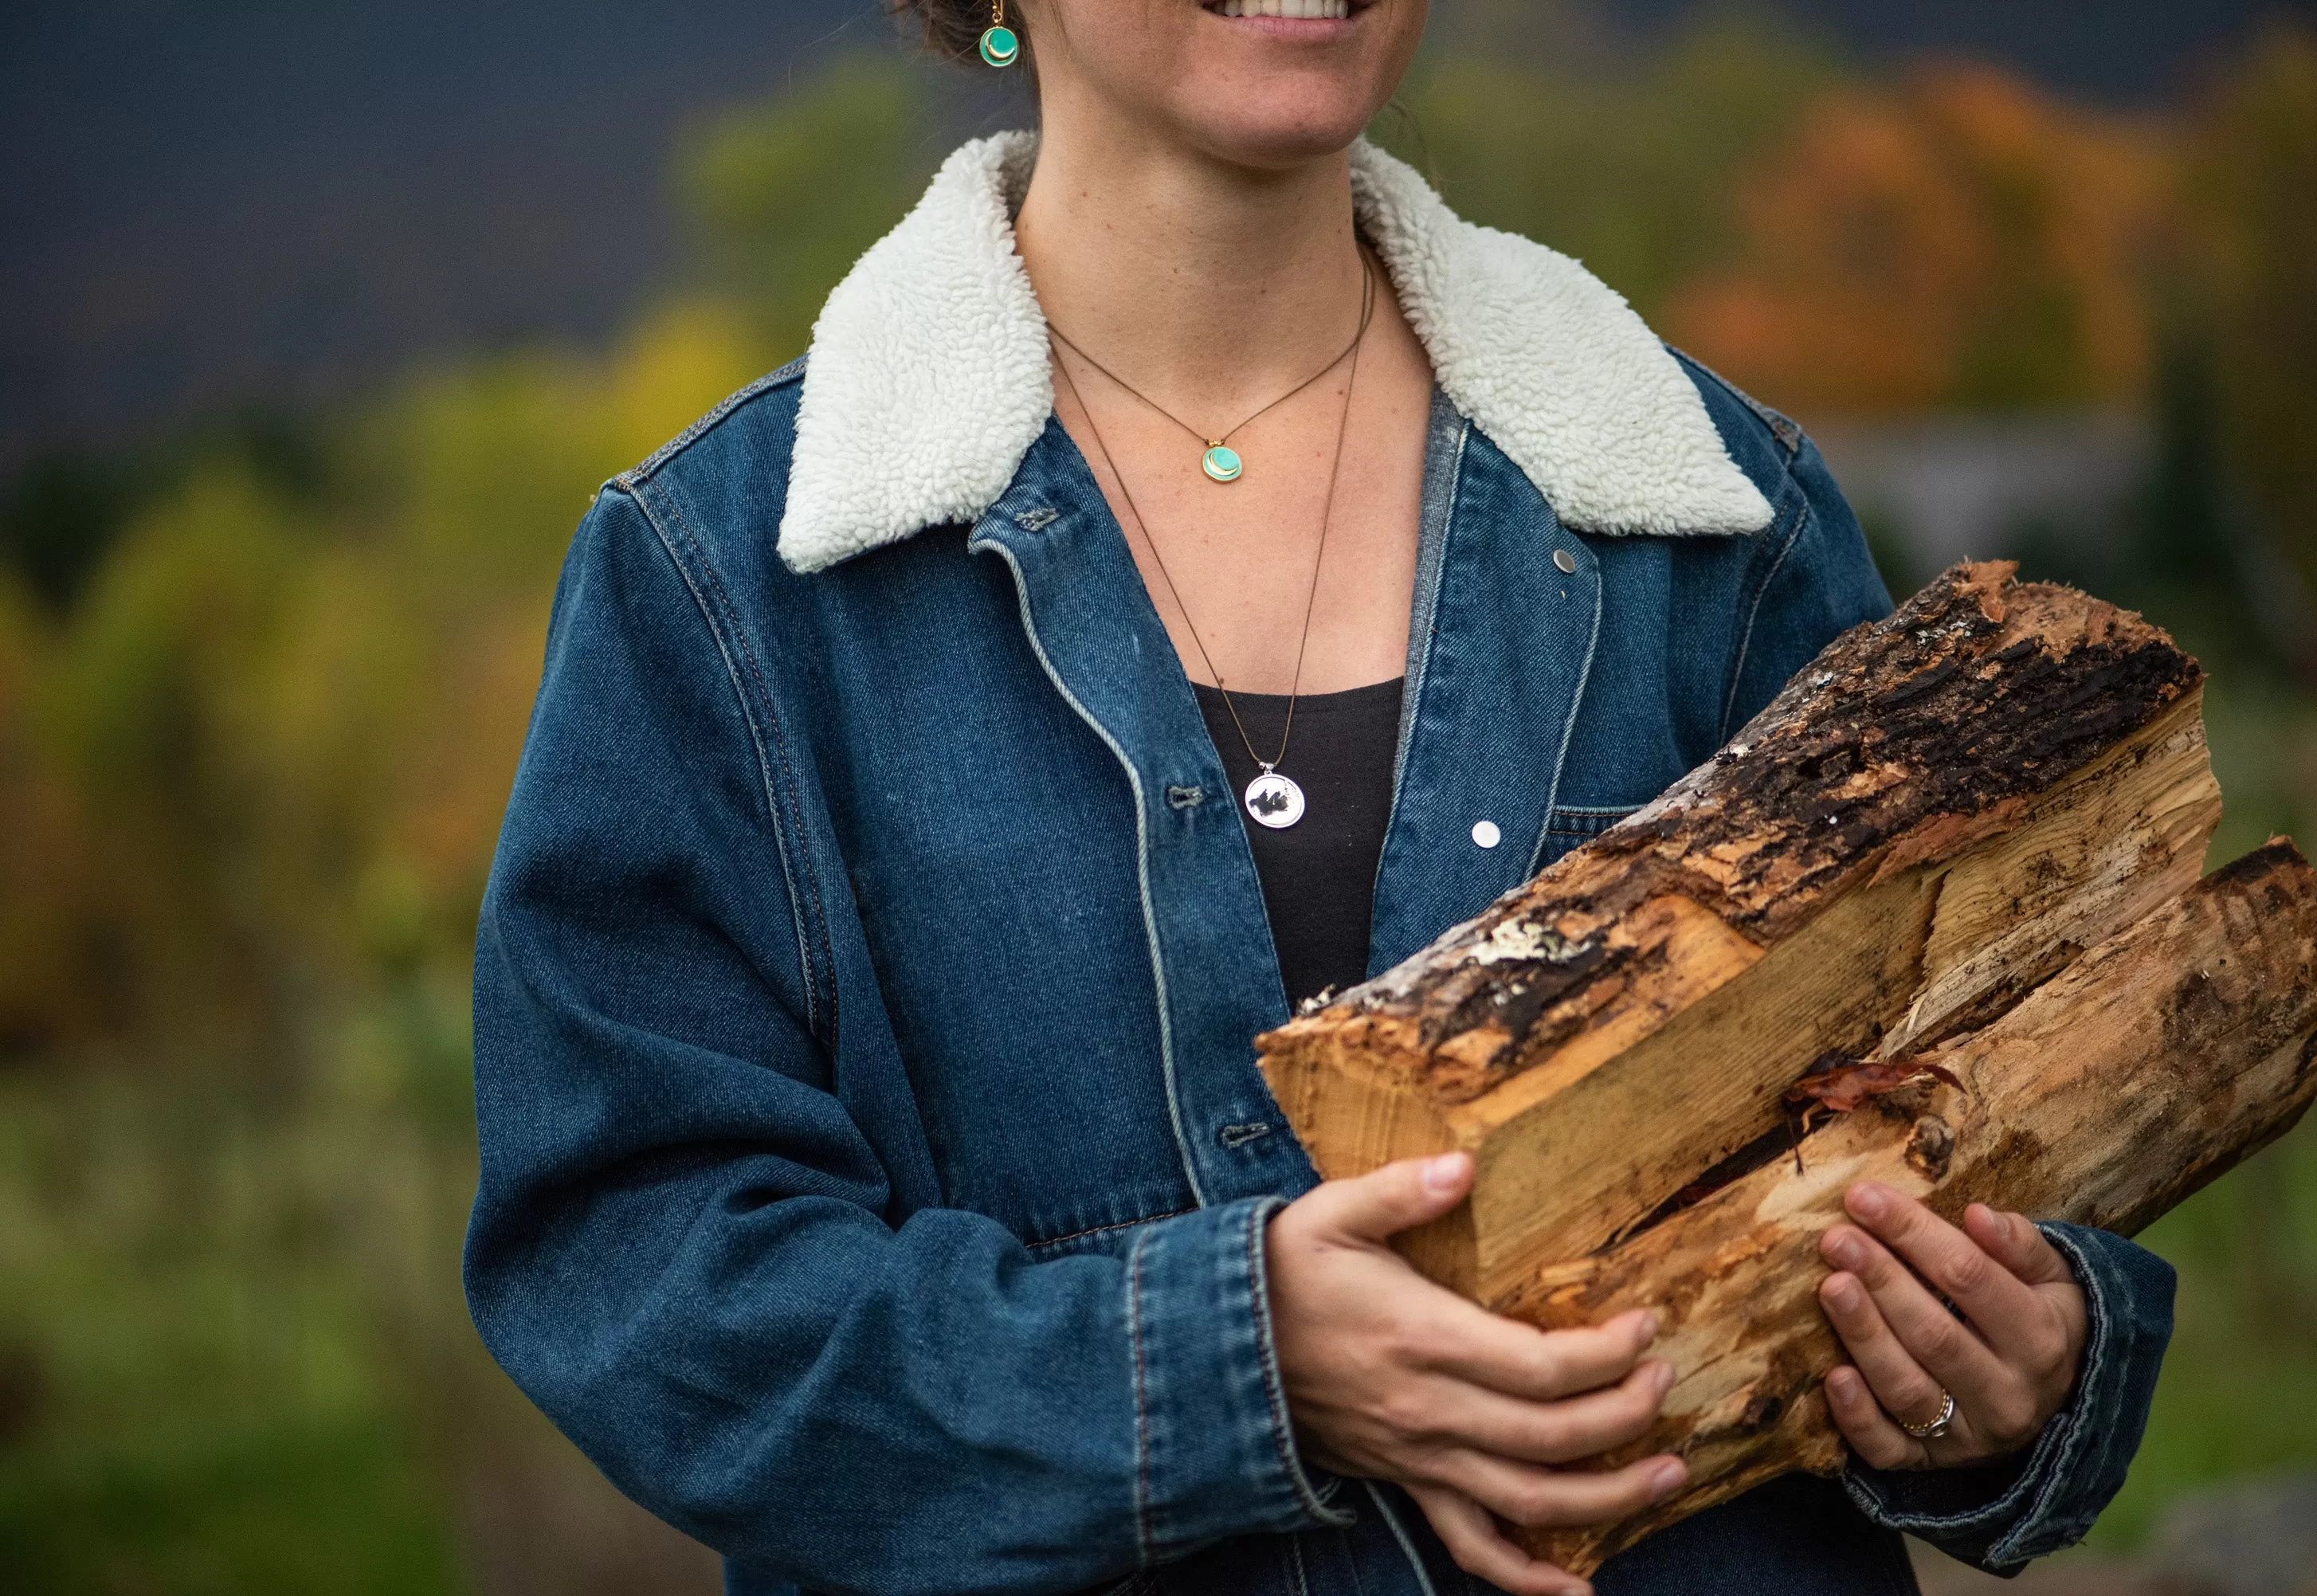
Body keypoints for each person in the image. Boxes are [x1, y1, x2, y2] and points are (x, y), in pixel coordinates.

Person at [463, 2, 2175, 1593]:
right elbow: (644, 1277)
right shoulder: (721, 582)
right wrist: (1228, 1360)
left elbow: (1982, 1095)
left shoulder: (1713, 517)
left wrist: (2019, 1367)